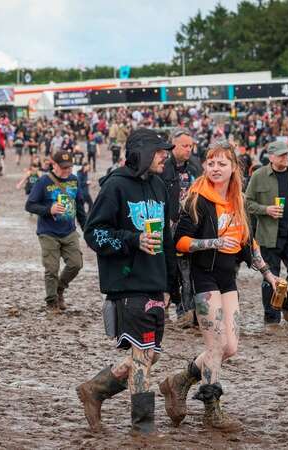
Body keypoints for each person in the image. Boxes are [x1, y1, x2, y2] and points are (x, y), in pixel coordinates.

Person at [159, 140, 278, 431]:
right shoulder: (197, 198)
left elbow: (248, 242)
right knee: (214, 346)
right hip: (204, 277)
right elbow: (180, 242)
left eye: (221, 163)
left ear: (233, 167)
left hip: (228, 278)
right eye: (211, 162)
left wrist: (267, 273)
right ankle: (213, 411)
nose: (215, 168)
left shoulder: (238, 198)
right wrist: (212, 242)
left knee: (230, 347)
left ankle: (181, 379)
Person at [77, 128, 176, 435]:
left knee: (148, 355)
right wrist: (133, 240)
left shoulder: (159, 185)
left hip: (155, 281)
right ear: (143, 153)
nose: (165, 156)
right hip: (127, 283)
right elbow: (94, 233)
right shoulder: (115, 187)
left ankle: (95, 389)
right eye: (160, 151)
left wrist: (171, 285)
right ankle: (143, 426)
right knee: (143, 355)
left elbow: (168, 239)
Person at [245, 140, 288, 330]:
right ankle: (271, 317)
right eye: (281, 155)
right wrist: (266, 209)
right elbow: (247, 203)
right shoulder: (259, 175)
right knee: (270, 276)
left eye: (287, 154)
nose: (285, 158)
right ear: (271, 157)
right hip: (268, 235)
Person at [24, 150, 86, 312]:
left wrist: (87, 229)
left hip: (69, 231)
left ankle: (59, 288)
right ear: (54, 165)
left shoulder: (74, 180)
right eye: (63, 167)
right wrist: (48, 209)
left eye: (69, 167)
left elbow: (80, 206)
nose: (67, 171)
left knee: (76, 264)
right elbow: (30, 205)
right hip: (48, 232)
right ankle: (52, 301)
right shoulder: (43, 181)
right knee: (51, 269)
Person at [159, 128, 202, 328]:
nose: (188, 149)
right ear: (172, 146)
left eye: (191, 145)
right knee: (168, 268)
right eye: (184, 145)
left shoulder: (194, 166)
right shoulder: (162, 168)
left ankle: (186, 311)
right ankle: (164, 307)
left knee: (187, 269)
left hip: (189, 224)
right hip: (167, 225)